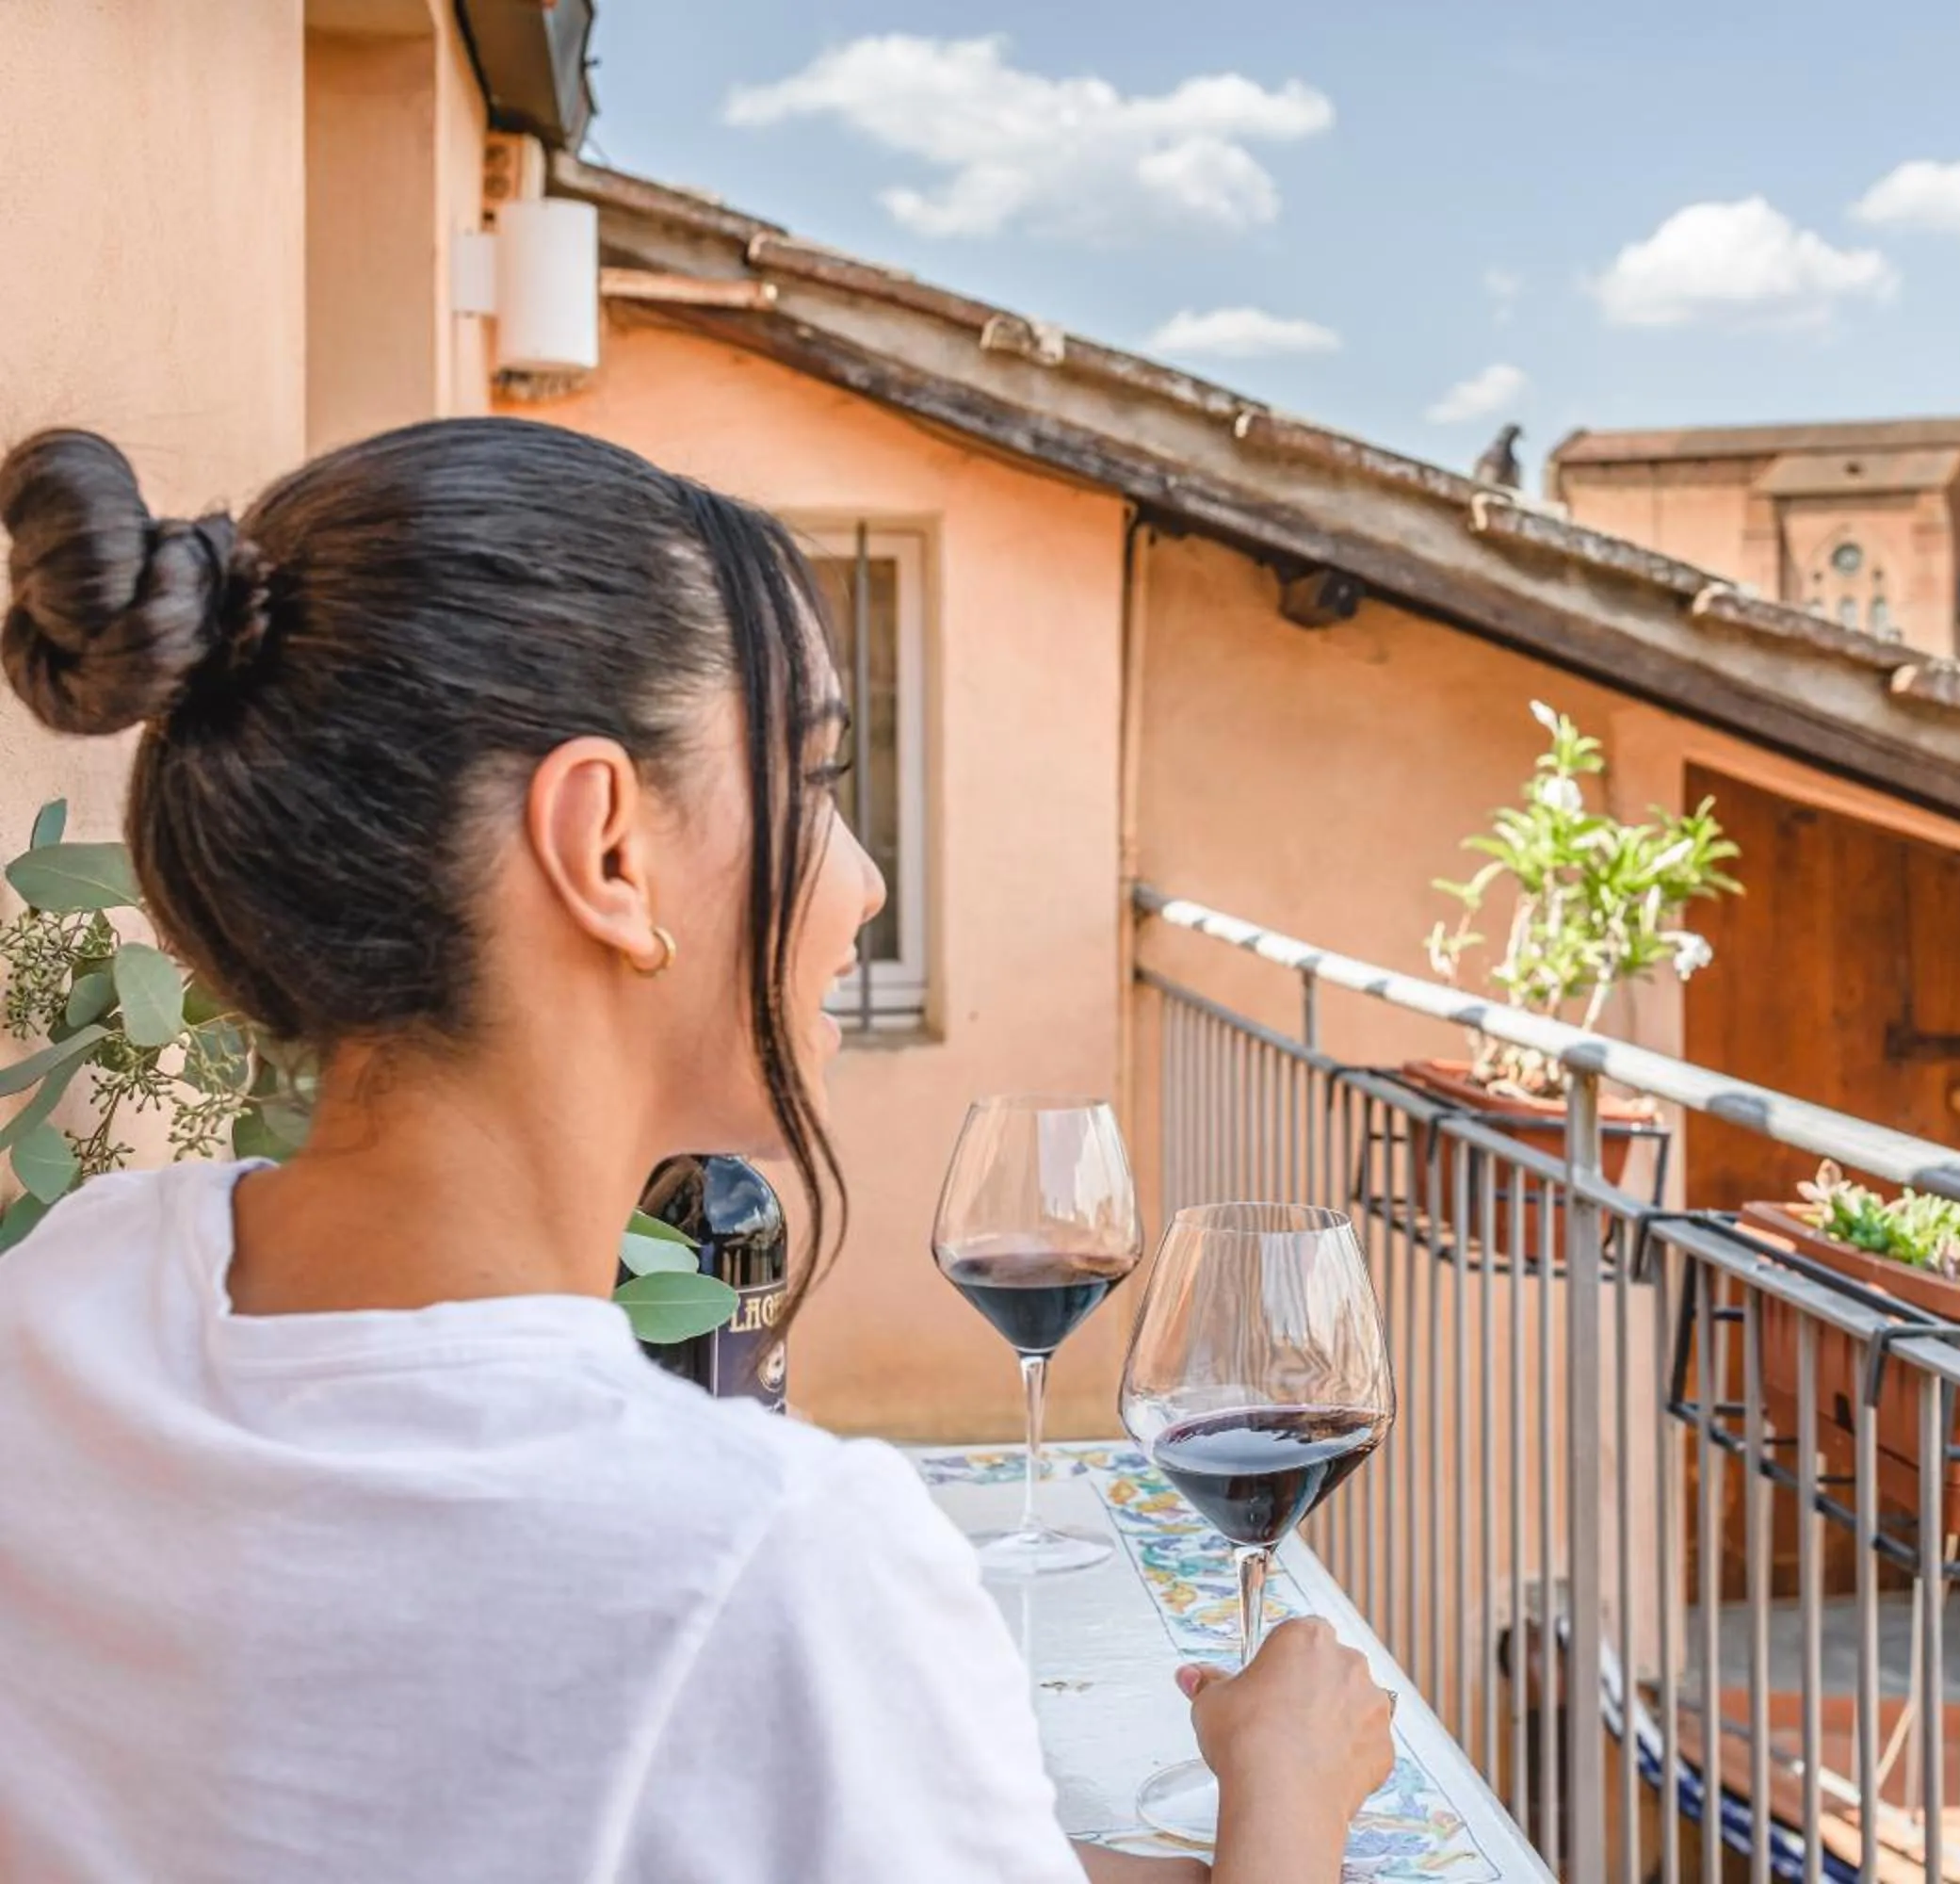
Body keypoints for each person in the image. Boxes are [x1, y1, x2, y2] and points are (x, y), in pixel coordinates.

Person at [0, 421, 1396, 1883]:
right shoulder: (761, 1564)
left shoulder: (73, 1306)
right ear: (608, 849)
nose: (857, 885)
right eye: (814, 777)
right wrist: (1289, 1787)